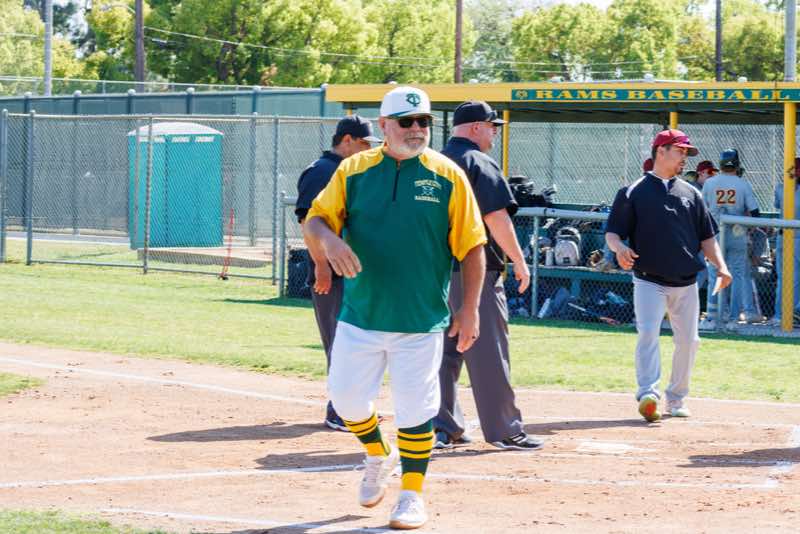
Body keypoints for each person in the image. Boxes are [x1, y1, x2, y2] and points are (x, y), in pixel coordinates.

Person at [303, 86, 487, 530]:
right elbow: (315, 219)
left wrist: (470, 309)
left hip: (420, 319)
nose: (417, 129)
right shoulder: (354, 169)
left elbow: (473, 246)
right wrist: (329, 243)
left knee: (416, 410)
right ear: (384, 125)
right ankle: (377, 452)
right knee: (346, 401)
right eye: (406, 121)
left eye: (424, 121)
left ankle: (411, 495)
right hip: (361, 314)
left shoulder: (447, 175)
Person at [433, 101, 542, 451]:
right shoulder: (478, 161)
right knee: (489, 351)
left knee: (443, 352)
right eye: (492, 126)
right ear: (476, 127)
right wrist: (519, 260)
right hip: (474, 270)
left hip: (435, 273)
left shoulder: (433, 161)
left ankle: (443, 427)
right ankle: (505, 429)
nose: (494, 133)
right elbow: (496, 217)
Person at [605, 129, 731, 422]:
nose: (684, 158)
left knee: (689, 341)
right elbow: (613, 233)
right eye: (680, 151)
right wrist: (620, 248)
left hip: (686, 281)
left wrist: (721, 266)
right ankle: (648, 394)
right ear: (660, 151)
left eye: (686, 152)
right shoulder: (633, 191)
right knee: (648, 333)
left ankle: (676, 398)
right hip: (649, 279)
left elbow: (707, 237)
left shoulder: (692, 193)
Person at [296, 115, 381, 431]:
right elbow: (308, 225)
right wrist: (321, 266)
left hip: (353, 273)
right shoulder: (321, 172)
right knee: (340, 342)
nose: (367, 150)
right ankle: (340, 411)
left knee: (359, 342)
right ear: (346, 141)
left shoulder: (349, 171)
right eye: (363, 143)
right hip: (332, 274)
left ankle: (355, 408)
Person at [701, 149, 762, 328]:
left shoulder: (710, 183)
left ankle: (713, 317)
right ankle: (734, 318)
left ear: (720, 164)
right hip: (737, 233)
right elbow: (755, 212)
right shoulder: (742, 184)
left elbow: (701, 210)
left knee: (714, 274)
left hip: (715, 233)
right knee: (737, 276)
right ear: (737, 164)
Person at [770, 157, 800, 326]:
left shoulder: (781, 188)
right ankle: (789, 314)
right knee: (791, 279)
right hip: (794, 238)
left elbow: (777, 205)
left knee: (784, 279)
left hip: (784, 237)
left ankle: (779, 314)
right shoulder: (782, 188)